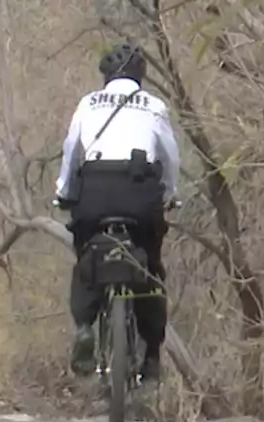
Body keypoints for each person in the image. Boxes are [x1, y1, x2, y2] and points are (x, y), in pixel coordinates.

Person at [55, 41, 180, 384]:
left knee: (85, 257)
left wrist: (64, 191)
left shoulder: (88, 103)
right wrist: (170, 194)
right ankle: (152, 355)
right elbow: (170, 157)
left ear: (106, 76)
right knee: (152, 267)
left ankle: (84, 327)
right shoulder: (154, 105)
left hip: (94, 191)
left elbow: (71, 151)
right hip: (141, 194)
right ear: (141, 75)